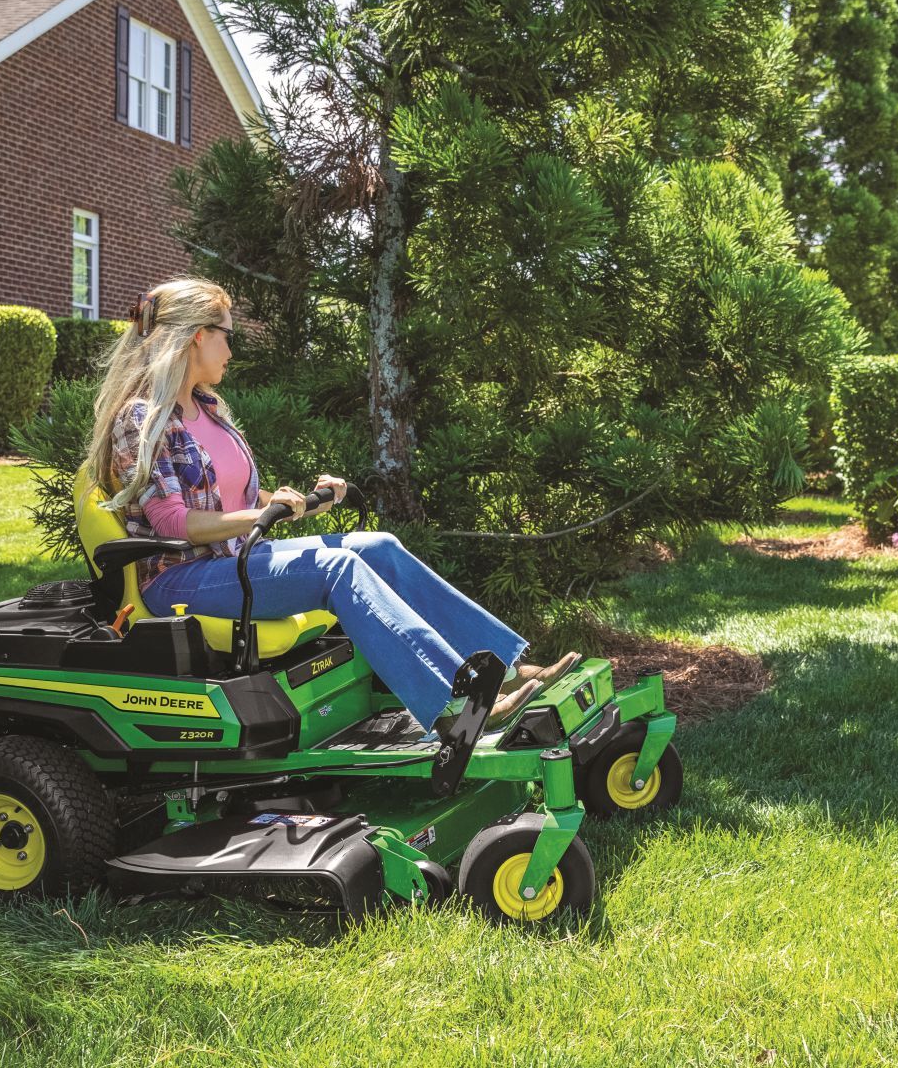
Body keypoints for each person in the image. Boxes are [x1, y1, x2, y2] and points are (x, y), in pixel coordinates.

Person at [86, 277, 580, 736]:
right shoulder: (143, 419)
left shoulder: (207, 409)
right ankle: (456, 704)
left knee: (378, 545)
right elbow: (175, 522)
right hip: (182, 580)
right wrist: (265, 514)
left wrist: (304, 503)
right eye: (226, 336)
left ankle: (505, 665)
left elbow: (233, 500)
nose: (231, 350)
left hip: (233, 558)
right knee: (337, 568)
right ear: (197, 336)